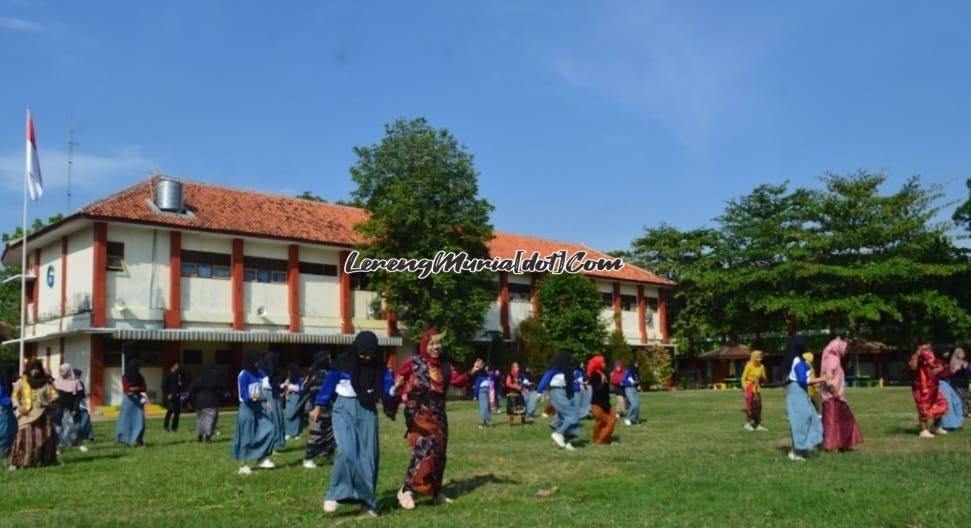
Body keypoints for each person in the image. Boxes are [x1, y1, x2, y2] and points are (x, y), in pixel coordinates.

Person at [391, 328, 485, 511]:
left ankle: (435, 491)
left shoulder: (445, 366)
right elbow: (399, 379)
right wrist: (399, 391)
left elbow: (457, 380)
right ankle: (406, 490)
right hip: (418, 412)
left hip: (439, 413)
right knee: (425, 448)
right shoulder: (413, 362)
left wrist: (472, 371)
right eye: (432, 343)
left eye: (438, 343)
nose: (436, 347)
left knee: (440, 453)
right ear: (425, 344)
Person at [310, 331, 389, 517]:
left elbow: (387, 386)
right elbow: (329, 385)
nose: (367, 357)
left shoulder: (378, 366)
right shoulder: (342, 363)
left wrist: (395, 390)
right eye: (364, 353)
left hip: (368, 410)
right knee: (347, 451)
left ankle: (368, 503)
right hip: (343, 409)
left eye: (371, 354)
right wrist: (319, 406)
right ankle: (335, 493)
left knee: (368, 457)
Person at [232, 350, 277, 474]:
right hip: (247, 408)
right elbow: (243, 394)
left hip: (259, 406)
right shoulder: (244, 375)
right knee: (246, 436)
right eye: (257, 361)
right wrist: (252, 397)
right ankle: (243, 465)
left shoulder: (259, 372)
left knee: (269, 428)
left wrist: (265, 400)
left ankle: (261, 457)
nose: (259, 363)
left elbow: (264, 385)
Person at [8, 359, 58, 469]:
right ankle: (15, 463)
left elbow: (55, 396)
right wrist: (18, 406)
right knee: (23, 436)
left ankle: (43, 461)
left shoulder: (46, 382)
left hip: (43, 414)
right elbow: (14, 396)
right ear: (28, 370)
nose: (35, 371)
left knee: (45, 437)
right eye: (32, 369)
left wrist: (48, 402)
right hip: (26, 414)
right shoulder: (22, 381)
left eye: (37, 369)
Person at [783, 337, 827, 461]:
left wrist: (817, 383)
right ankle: (797, 452)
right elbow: (804, 380)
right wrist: (823, 378)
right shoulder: (797, 360)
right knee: (800, 422)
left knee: (812, 418)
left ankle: (801, 448)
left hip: (801, 392)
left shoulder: (799, 360)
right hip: (796, 393)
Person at [294, 351, 336, 469]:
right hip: (318, 410)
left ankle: (330, 454)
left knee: (330, 434)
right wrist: (318, 407)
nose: (331, 361)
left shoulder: (324, 374)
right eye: (328, 358)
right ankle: (308, 458)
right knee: (317, 435)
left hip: (328, 410)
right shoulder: (320, 375)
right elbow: (315, 393)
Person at [819, 338, 863, 451]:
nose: (846, 351)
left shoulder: (834, 358)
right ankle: (829, 446)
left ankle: (842, 444)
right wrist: (834, 392)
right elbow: (827, 378)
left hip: (836, 396)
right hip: (832, 397)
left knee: (842, 420)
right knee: (831, 422)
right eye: (846, 348)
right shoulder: (832, 359)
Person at [537, 350, 581, 450]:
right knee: (572, 415)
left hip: (564, 394)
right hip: (556, 393)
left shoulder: (567, 370)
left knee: (565, 418)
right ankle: (558, 433)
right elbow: (545, 379)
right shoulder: (555, 369)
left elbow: (570, 385)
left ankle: (566, 441)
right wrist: (539, 392)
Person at [909, 344, 949, 438]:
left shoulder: (931, 357)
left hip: (933, 385)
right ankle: (923, 430)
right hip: (921, 387)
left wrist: (939, 369)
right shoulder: (915, 356)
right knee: (923, 408)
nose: (927, 348)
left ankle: (936, 426)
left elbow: (935, 369)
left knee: (941, 404)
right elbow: (912, 368)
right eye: (925, 347)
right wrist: (917, 355)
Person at [53, 363, 86, 453]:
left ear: (68, 371)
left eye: (63, 371)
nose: (61, 373)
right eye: (60, 371)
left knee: (74, 427)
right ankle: (58, 447)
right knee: (58, 428)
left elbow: (78, 397)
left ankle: (79, 444)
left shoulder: (76, 382)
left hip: (71, 409)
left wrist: (75, 409)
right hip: (58, 408)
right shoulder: (56, 382)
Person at [115, 359, 147, 447]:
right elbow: (127, 389)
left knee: (140, 421)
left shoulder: (140, 377)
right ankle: (125, 440)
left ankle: (139, 439)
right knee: (126, 421)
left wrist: (136, 389)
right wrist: (135, 389)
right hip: (129, 400)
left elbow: (143, 387)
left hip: (138, 400)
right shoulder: (125, 377)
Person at [586, 355, 616, 445]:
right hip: (598, 403)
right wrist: (602, 382)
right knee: (601, 422)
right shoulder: (595, 375)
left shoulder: (604, 373)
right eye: (603, 362)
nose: (604, 364)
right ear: (598, 363)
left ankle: (604, 439)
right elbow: (597, 390)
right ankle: (598, 440)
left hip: (606, 402)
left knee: (612, 420)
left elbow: (607, 389)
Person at [188, 363, 223, 442]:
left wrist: (191, 401)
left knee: (200, 420)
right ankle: (207, 437)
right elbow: (221, 388)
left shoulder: (198, 379)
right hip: (211, 402)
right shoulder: (215, 379)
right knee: (210, 420)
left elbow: (190, 390)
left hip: (199, 402)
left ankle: (200, 436)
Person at [935, 345, 964, 431]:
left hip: (947, 383)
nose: (948, 353)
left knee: (957, 401)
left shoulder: (944, 361)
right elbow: (940, 375)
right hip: (941, 383)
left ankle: (957, 423)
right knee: (948, 404)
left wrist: (954, 371)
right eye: (946, 351)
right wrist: (953, 371)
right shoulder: (937, 362)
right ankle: (948, 425)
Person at [262, 353, 287, 451]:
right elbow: (271, 385)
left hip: (273, 396)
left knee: (275, 419)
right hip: (270, 397)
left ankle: (273, 445)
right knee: (273, 419)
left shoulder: (265, 372)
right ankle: (272, 445)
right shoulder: (266, 374)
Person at [741, 350, 767, 432]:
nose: (760, 358)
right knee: (750, 407)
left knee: (758, 407)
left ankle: (758, 424)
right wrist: (745, 389)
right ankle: (748, 424)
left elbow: (764, 377)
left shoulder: (761, 366)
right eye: (758, 357)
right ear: (754, 357)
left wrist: (763, 379)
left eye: (761, 357)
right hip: (749, 388)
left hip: (757, 389)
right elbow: (743, 378)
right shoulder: (748, 366)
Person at [283, 363, 306, 440]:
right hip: (289, 398)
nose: (288, 372)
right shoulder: (288, 379)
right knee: (288, 415)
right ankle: (288, 432)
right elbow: (285, 388)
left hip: (296, 398)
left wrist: (292, 388)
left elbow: (302, 390)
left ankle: (296, 433)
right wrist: (286, 394)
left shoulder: (301, 380)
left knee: (296, 415)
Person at [1, 364, 19, 458]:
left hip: (7, 412)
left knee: (12, 431)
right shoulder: (1, 385)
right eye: (13, 373)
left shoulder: (7, 384)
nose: (15, 375)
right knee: (5, 433)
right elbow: (2, 399)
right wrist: (13, 401)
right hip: (3, 412)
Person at [73, 369, 95, 444]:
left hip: (80, 405)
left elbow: (82, 394)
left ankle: (87, 437)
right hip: (79, 405)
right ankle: (88, 437)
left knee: (83, 422)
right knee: (84, 422)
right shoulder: (78, 382)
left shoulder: (78, 383)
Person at [162, 361, 182, 433]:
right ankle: (166, 426)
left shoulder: (178, 375)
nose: (178, 367)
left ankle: (174, 428)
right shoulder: (167, 375)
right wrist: (167, 394)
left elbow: (180, 385)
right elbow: (164, 386)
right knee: (170, 410)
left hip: (177, 396)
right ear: (172, 366)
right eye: (176, 365)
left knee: (177, 412)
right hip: (170, 396)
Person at [949, 347, 969, 418]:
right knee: (959, 398)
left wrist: (966, 366)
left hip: (965, 382)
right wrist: (956, 368)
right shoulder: (953, 361)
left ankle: (965, 411)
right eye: (960, 352)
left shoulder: (964, 361)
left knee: (965, 397)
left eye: (963, 352)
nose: (962, 354)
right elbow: (950, 373)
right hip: (957, 383)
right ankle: (960, 412)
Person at [622, 360, 642, 426]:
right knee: (634, 404)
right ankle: (627, 418)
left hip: (634, 388)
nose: (637, 365)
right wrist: (631, 382)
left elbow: (638, 380)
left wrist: (638, 383)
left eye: (637, 363)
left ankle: (634, 419)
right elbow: (623, 381)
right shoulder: (628, 371)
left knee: (637, 404)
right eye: (635, 363)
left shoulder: (637, 371)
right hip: (628, 388)